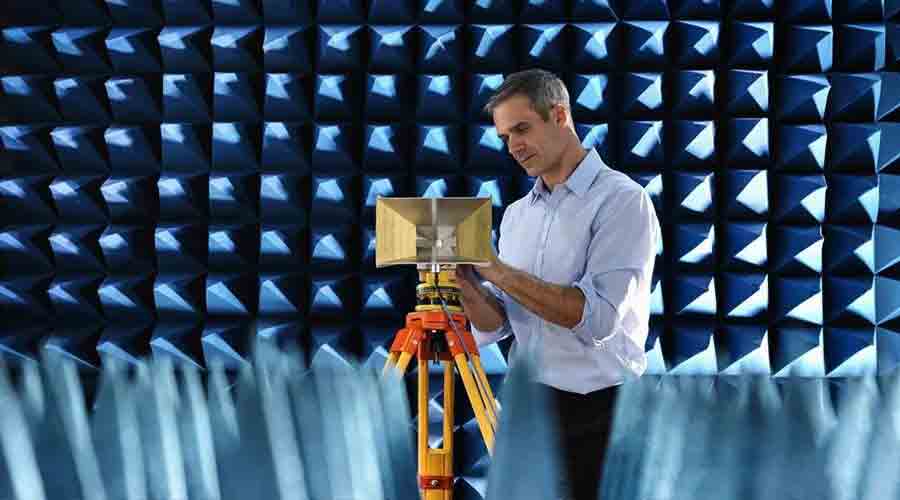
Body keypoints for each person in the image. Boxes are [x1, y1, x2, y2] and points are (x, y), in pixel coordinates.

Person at [455, 69, 661, 500]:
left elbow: (597, 318)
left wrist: (497, 270)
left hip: (601, 414)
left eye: (522, 129)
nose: (513, 147)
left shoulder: (622, 201)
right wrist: (468, 284)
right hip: (529, 411)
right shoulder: (517, 215)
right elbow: (499, 325)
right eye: (505, 137)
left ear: (560, 115)